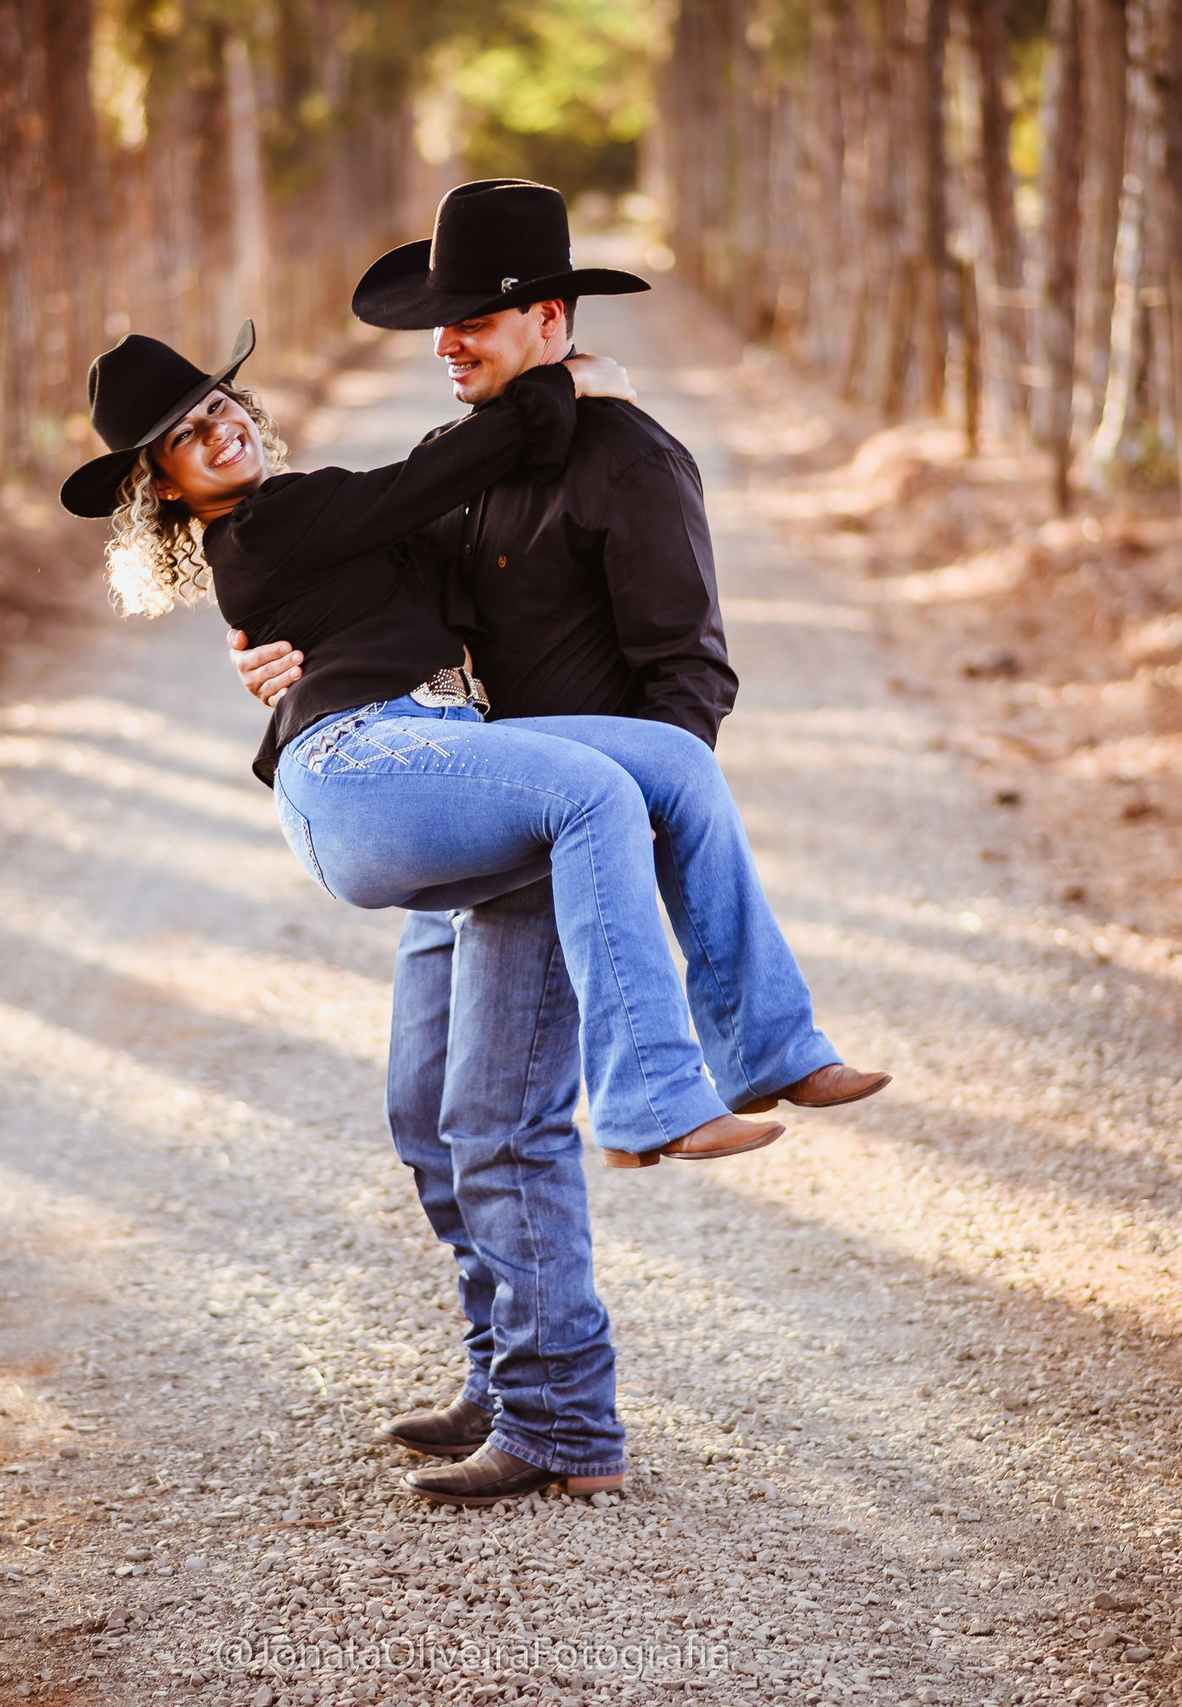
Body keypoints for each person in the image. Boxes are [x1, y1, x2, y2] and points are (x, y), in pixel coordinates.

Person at [226, 180, 886, 1507]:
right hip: (451, 782)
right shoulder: (462, 453)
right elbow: (375, 598)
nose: (447, 342)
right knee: (423, 1113)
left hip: (559, 834)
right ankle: (502, 1362)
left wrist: (627, 821)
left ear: (549, 317)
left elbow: (689, 683)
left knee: (501, 1118)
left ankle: (562, 1422)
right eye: (439, 322)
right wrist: (288, 665)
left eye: (473, 320)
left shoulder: (632, 459)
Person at [59, 312, 870, 1180]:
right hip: (357, 767)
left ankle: (775, 1049)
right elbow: (427, 481)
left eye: (220, 408)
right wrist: (577, 383)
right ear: (167, 488)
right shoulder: (270, 523)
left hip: (433, 750)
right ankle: (651, 1101)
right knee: (595, 794)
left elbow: (439, 536)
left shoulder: (310, 526)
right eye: (186, 437)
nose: (220, 432)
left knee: (675, 764)